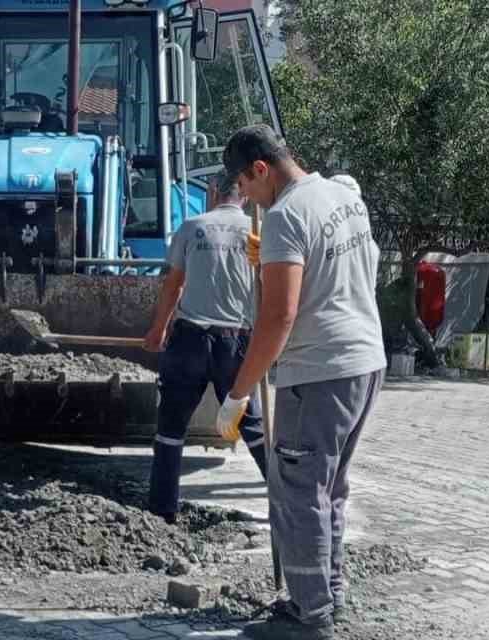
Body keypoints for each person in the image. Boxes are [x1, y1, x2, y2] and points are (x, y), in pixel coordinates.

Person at [216, 125, 385, 640]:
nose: (246, 197)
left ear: (261, 169)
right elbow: (355, 267)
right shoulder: (343, 196)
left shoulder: (286, 216)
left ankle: (309, 618)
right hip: (364, 362)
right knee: (327, 489)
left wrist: (238, 394)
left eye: (245, 186)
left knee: (298, 494)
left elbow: (278, 318)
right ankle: (328, 596)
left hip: (318, 372)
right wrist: (270, 263)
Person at [143, 171, 268, 524]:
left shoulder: (191, 227)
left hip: (190, 340)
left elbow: (173, 286)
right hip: (235, 340)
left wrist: (158, 330)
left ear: (213, 191)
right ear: (244, 194)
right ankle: (287, 504)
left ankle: (162, 510)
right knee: (252, 423)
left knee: (171, 427)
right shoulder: (257, 231)